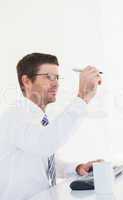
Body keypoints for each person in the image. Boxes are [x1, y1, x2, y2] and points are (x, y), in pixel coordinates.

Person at [0, 53, 102, 199]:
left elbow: (45, 162)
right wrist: (82, 98)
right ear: (26, 81)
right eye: (48, 77)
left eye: (57, 77)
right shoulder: (15, 115)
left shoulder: (40, 119)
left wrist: (78, 168)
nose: (56, 84)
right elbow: (46, 144)